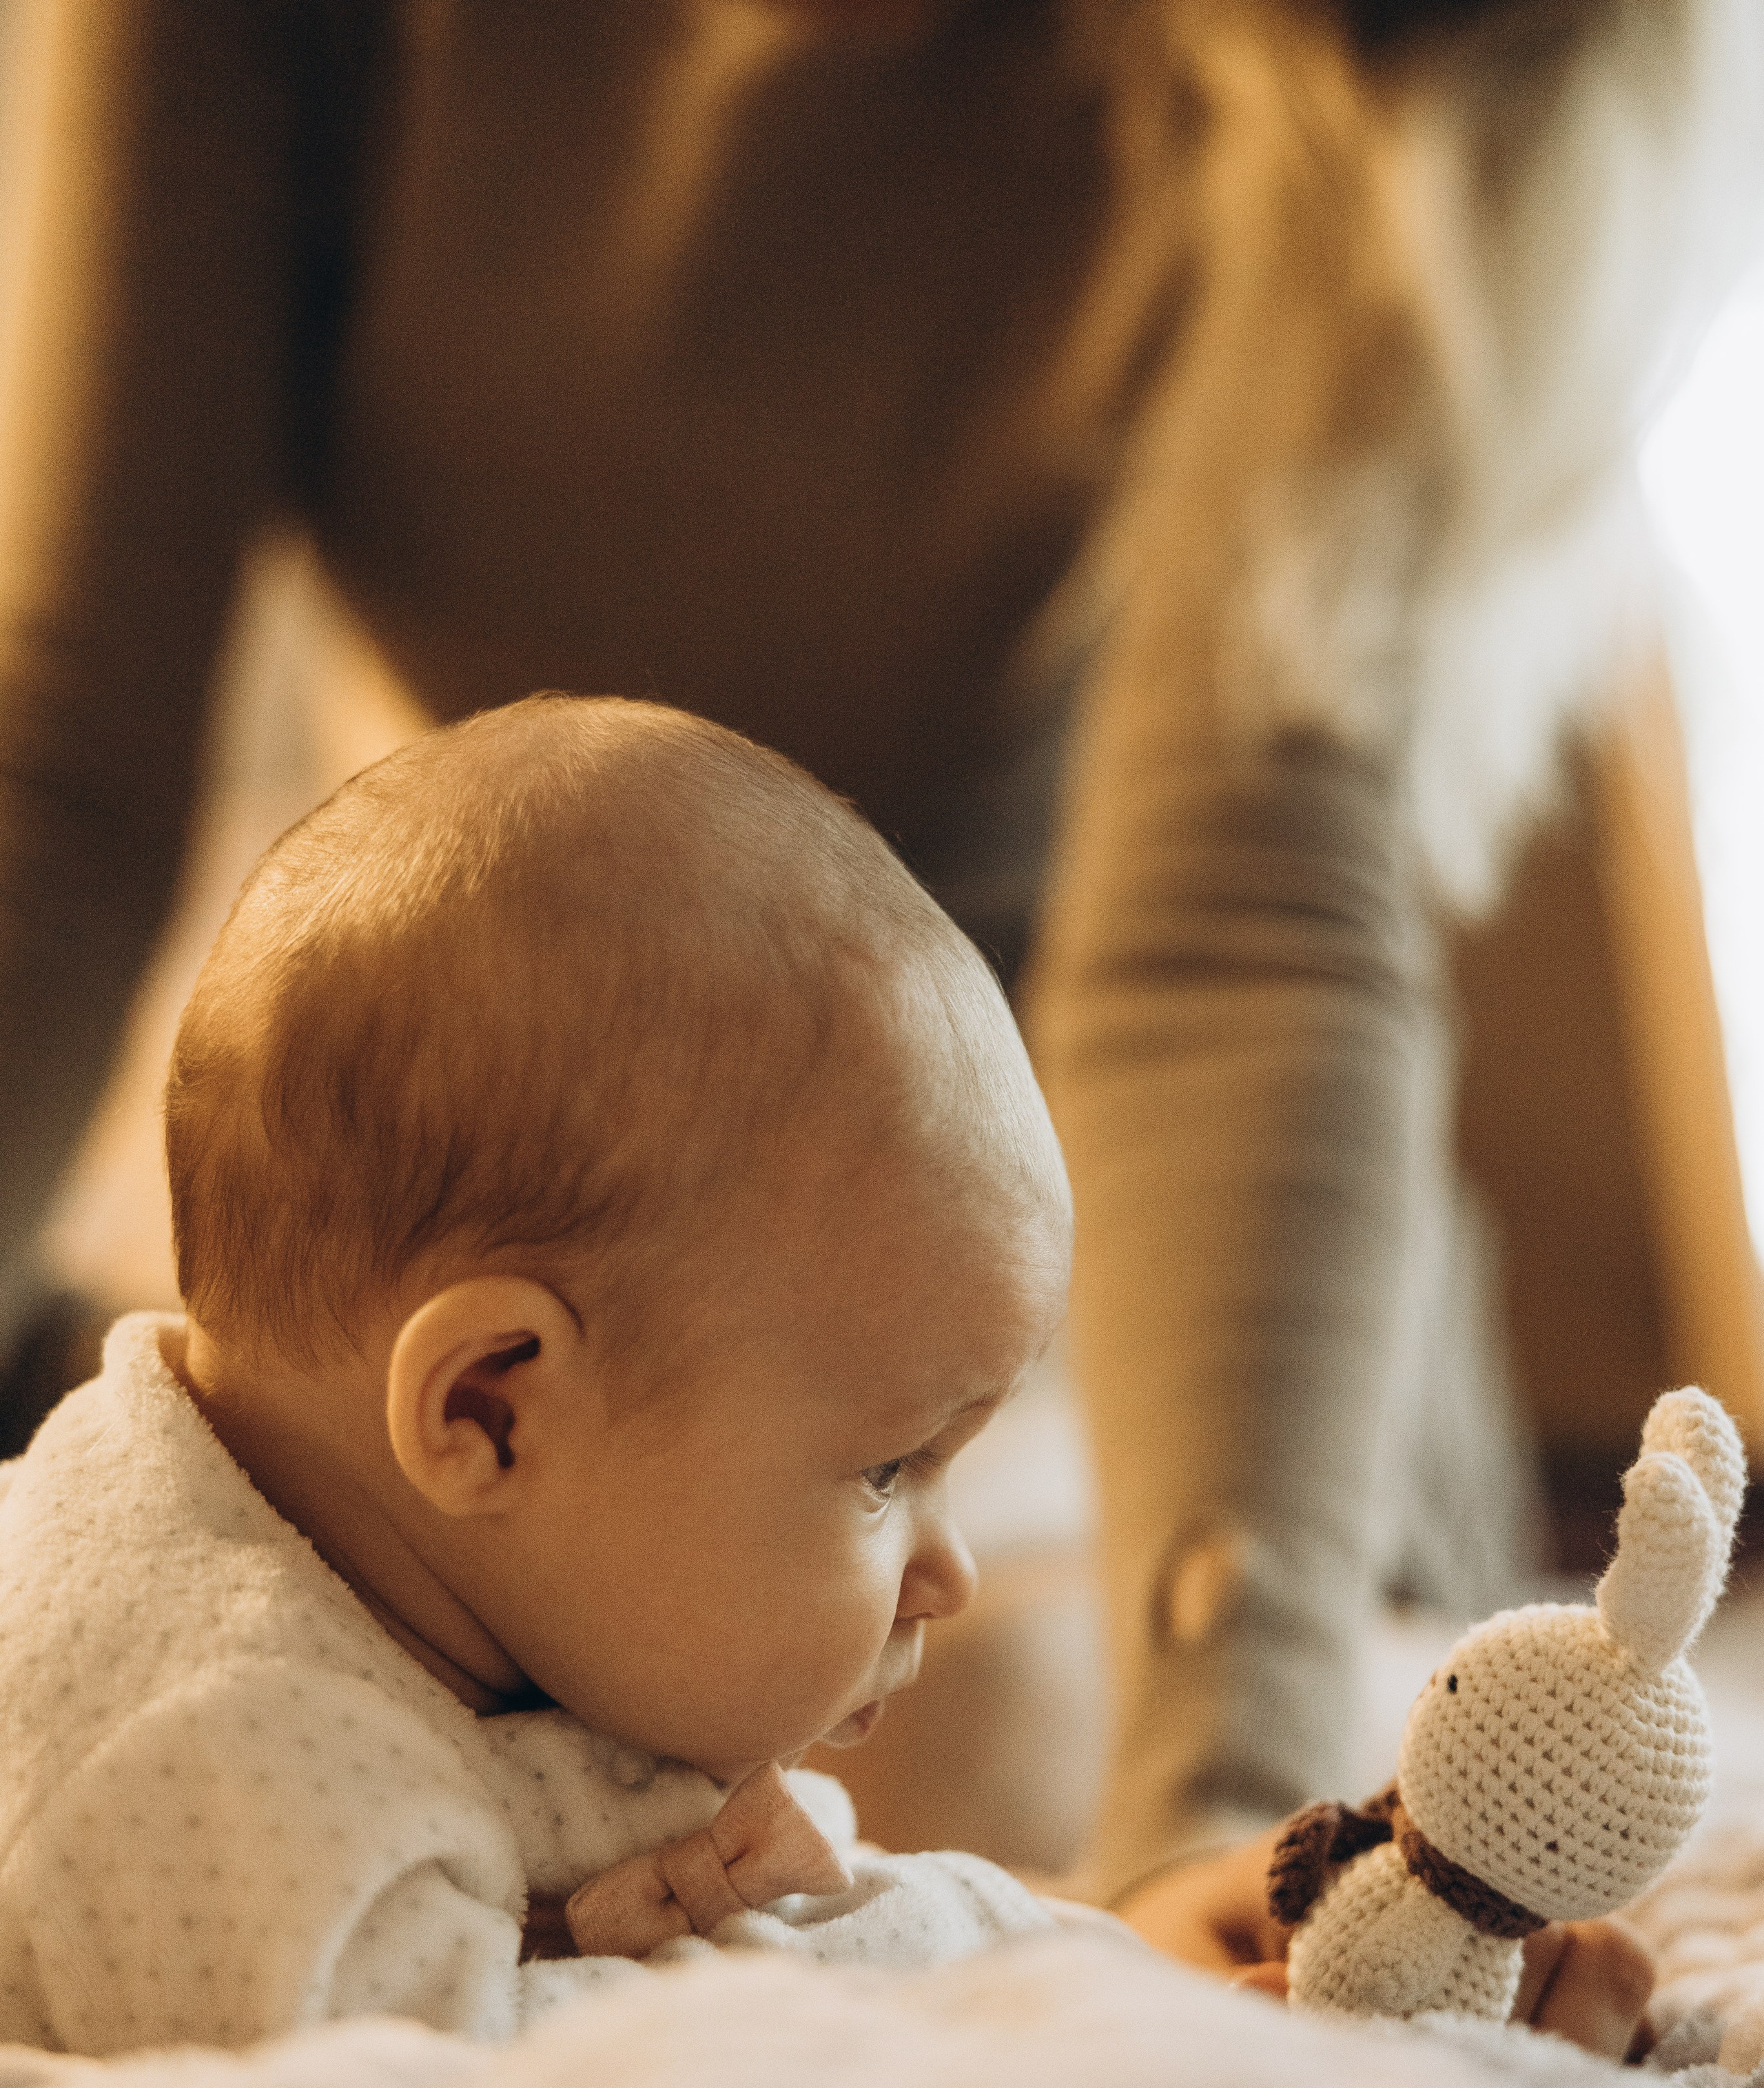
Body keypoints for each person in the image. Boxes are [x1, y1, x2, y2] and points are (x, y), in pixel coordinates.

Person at [1, 0, 1752, 1983]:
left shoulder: (1375, 65)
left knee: (969, 1746)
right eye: (904, 1487)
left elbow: (1233, 942)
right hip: (518, 1148)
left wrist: (1218, 1795)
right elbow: (58, 779)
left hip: (1091, 1261)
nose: (947, 1543)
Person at [0, 698, 1084, 2052]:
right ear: (488, 1410)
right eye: (883, 1470)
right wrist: (719, 1972)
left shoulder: (469, 1601)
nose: (950, 1575)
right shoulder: (205, 1745)